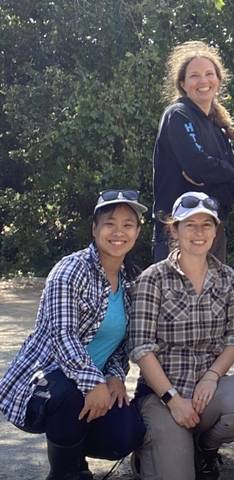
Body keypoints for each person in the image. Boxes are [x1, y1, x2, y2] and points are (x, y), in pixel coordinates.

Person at [0, 189, 148, 480]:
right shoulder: (70, 270)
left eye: (128, 224)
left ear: (138, 232)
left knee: (126, 434)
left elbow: (121, 346)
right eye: (109, 223)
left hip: (96, 383)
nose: (119, 232)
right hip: (46, 384)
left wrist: (115, 376)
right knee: (71, 394)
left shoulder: (132, 280)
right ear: (94, 229)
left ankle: (74, 449)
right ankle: (67, 472)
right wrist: (94, 384)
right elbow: (63, 335)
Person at [129, 191, 234, 480]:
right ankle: (150, 448)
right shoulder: (152, 279)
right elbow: (142, 348)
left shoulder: (227, 277)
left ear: (216, 231)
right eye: (190, 224)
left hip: (210, 389)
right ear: (174, 229)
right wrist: (173, 399)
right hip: (162, 395)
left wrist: (212, 376)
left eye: (207, 224)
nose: (199, 232)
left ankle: (205, 448)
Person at [152, 40, 234, 263]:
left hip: (213, 230)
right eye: (194, 75)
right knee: (173, 296)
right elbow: (197, 164)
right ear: (182, 83)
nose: (203, 81)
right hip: (177, 229)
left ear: (218, 80)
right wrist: (228, 173)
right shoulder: (178, 115)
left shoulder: (219, 127)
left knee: (211, 296)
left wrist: (225, 177)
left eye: (209, 74)